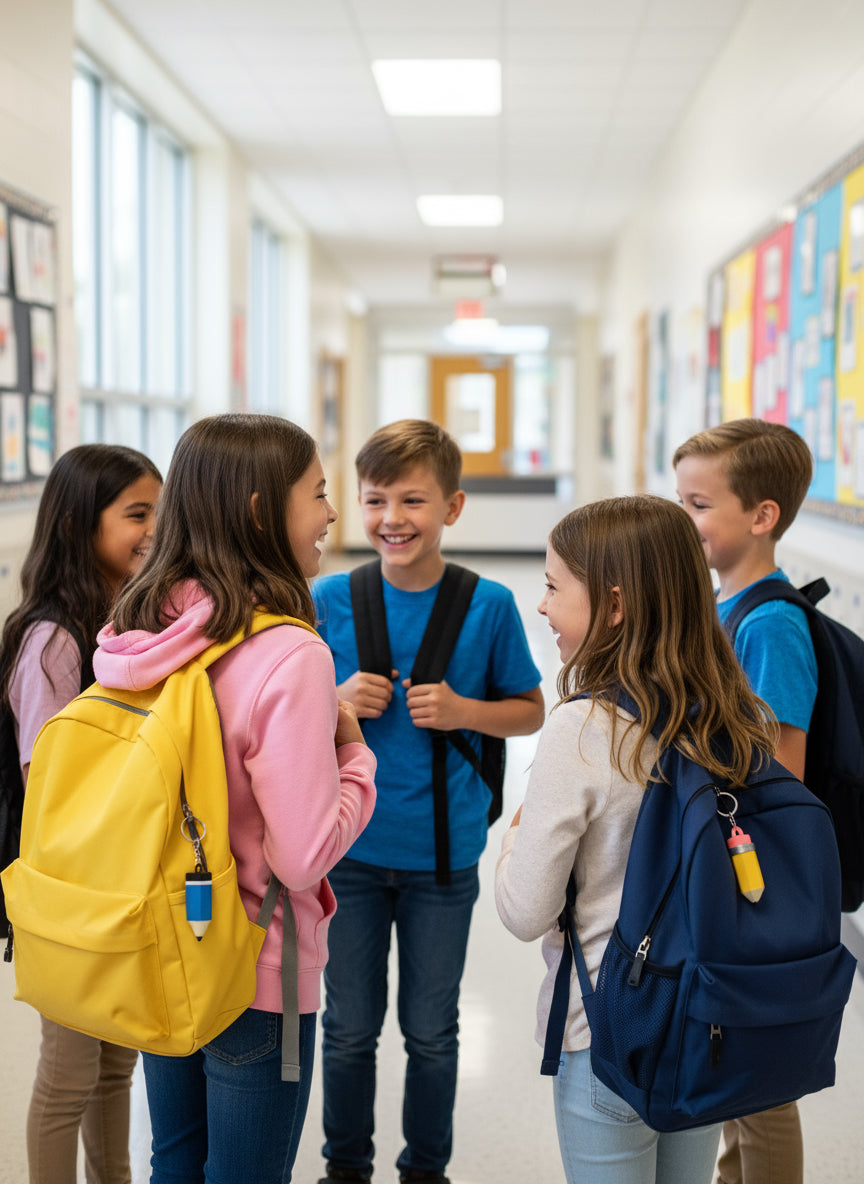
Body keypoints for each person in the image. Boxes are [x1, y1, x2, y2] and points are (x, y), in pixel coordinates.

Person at [93, 413, 377, 1184]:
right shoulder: (288, 652)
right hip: (258, 967)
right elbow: (303, 854)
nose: (330, 515)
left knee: (175, 1161)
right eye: (317, 494)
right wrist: (355, 759)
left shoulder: (136, 630)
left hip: (160, 942)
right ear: (260, 511)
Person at [494, 495, 778, 1184]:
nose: (542, 607)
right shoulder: (741, 716)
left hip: (611, 1033)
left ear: (614, 606)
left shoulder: (582, 729)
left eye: (555, 587)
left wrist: (514, 832)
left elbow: (524, 909)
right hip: (706, 1017)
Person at [312, 419, 545, 1184]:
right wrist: (334, 699)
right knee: (346, 1032)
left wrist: (466, 711)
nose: (392, 519)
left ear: (453, 506)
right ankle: (345, 1166)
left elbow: (531, 709)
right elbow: (277, 713)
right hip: (343, 856)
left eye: (413, 499)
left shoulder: (489, 606)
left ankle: (426, 1169)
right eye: (375, 499)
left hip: (443, 861)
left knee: (432, 1032)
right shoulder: (326, 601)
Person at [0, 443, 162, 1184]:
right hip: (70, 895)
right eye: (136, 514)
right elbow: (50, 784)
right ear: (77, 523)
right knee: (67, 1077)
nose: (155, 529)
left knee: (114, 1066)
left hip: (117, 883)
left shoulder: (123, 618)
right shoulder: (52, 638)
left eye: (161, 511)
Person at [674, 417, 816, 1184]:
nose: (683, 521)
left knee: (760, 1083)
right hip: (725, 870)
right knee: (732, 1059)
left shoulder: (771, 625)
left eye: (699, 505)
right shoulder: (725, 610)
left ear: (761, 516)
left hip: (754, 878)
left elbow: (780, 777)